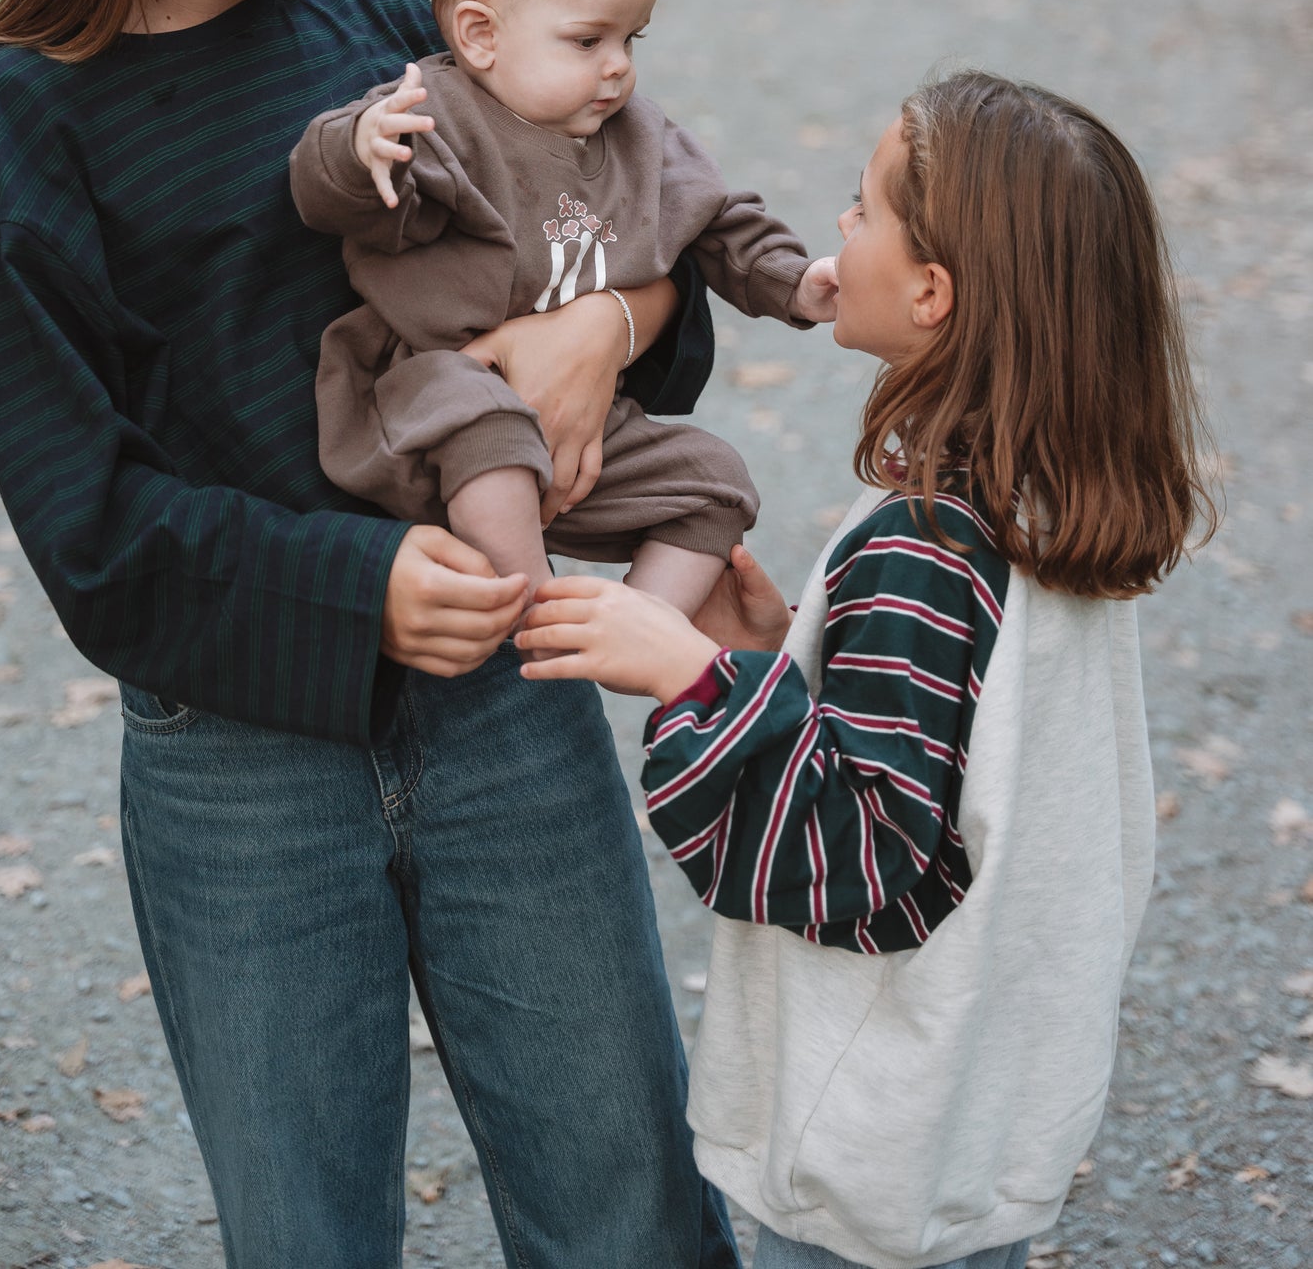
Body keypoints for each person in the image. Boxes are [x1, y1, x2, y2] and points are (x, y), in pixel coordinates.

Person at [0, 0, 741, 1268]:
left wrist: (611, 323)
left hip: (506, 720)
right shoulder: (30, 114)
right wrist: (361, 579)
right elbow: (87, 521)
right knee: (308, 1237)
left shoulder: (397, 40)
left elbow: (638, 244)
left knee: (633, 1211)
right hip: (238, 765)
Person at [515, 71, 1214, 1269]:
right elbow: (964, 765)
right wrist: (771, 658)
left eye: (861, 207)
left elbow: (867, 857)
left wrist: (691, 675)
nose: (836, 227)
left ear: (932, 291)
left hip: (869, 1145)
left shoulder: (926, 543)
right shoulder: (1039, 516)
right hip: (971, 1117)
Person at [289, 0, 841, 620]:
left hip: (576, 423)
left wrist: (794, 281)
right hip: (435, 395)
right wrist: (357, 151)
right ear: (480, 34)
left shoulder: (638, 136)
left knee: (715, 482)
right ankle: (533, 610)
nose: (618, 69)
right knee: (484, 420)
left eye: (631, 39)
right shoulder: (434, 118)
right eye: (588, 42)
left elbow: (718, 218)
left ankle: (631, 628)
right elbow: (341, 196)